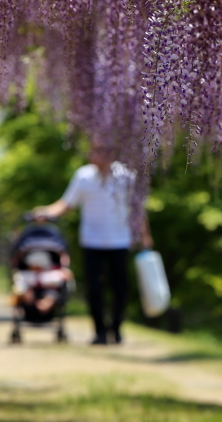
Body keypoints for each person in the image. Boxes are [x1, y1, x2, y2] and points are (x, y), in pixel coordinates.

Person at [35, 144, 152, 345]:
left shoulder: (126, 176)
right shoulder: (83, 176)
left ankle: (116, 327)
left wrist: (145, 236)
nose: (96, 155)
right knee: (94, 289)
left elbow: (137, 209)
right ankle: (99, 331)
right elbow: (66, 204)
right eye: (94, 151)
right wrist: (45, 212)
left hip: (119, 240)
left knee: (120, 287)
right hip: (92, 240)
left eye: (101, 150)